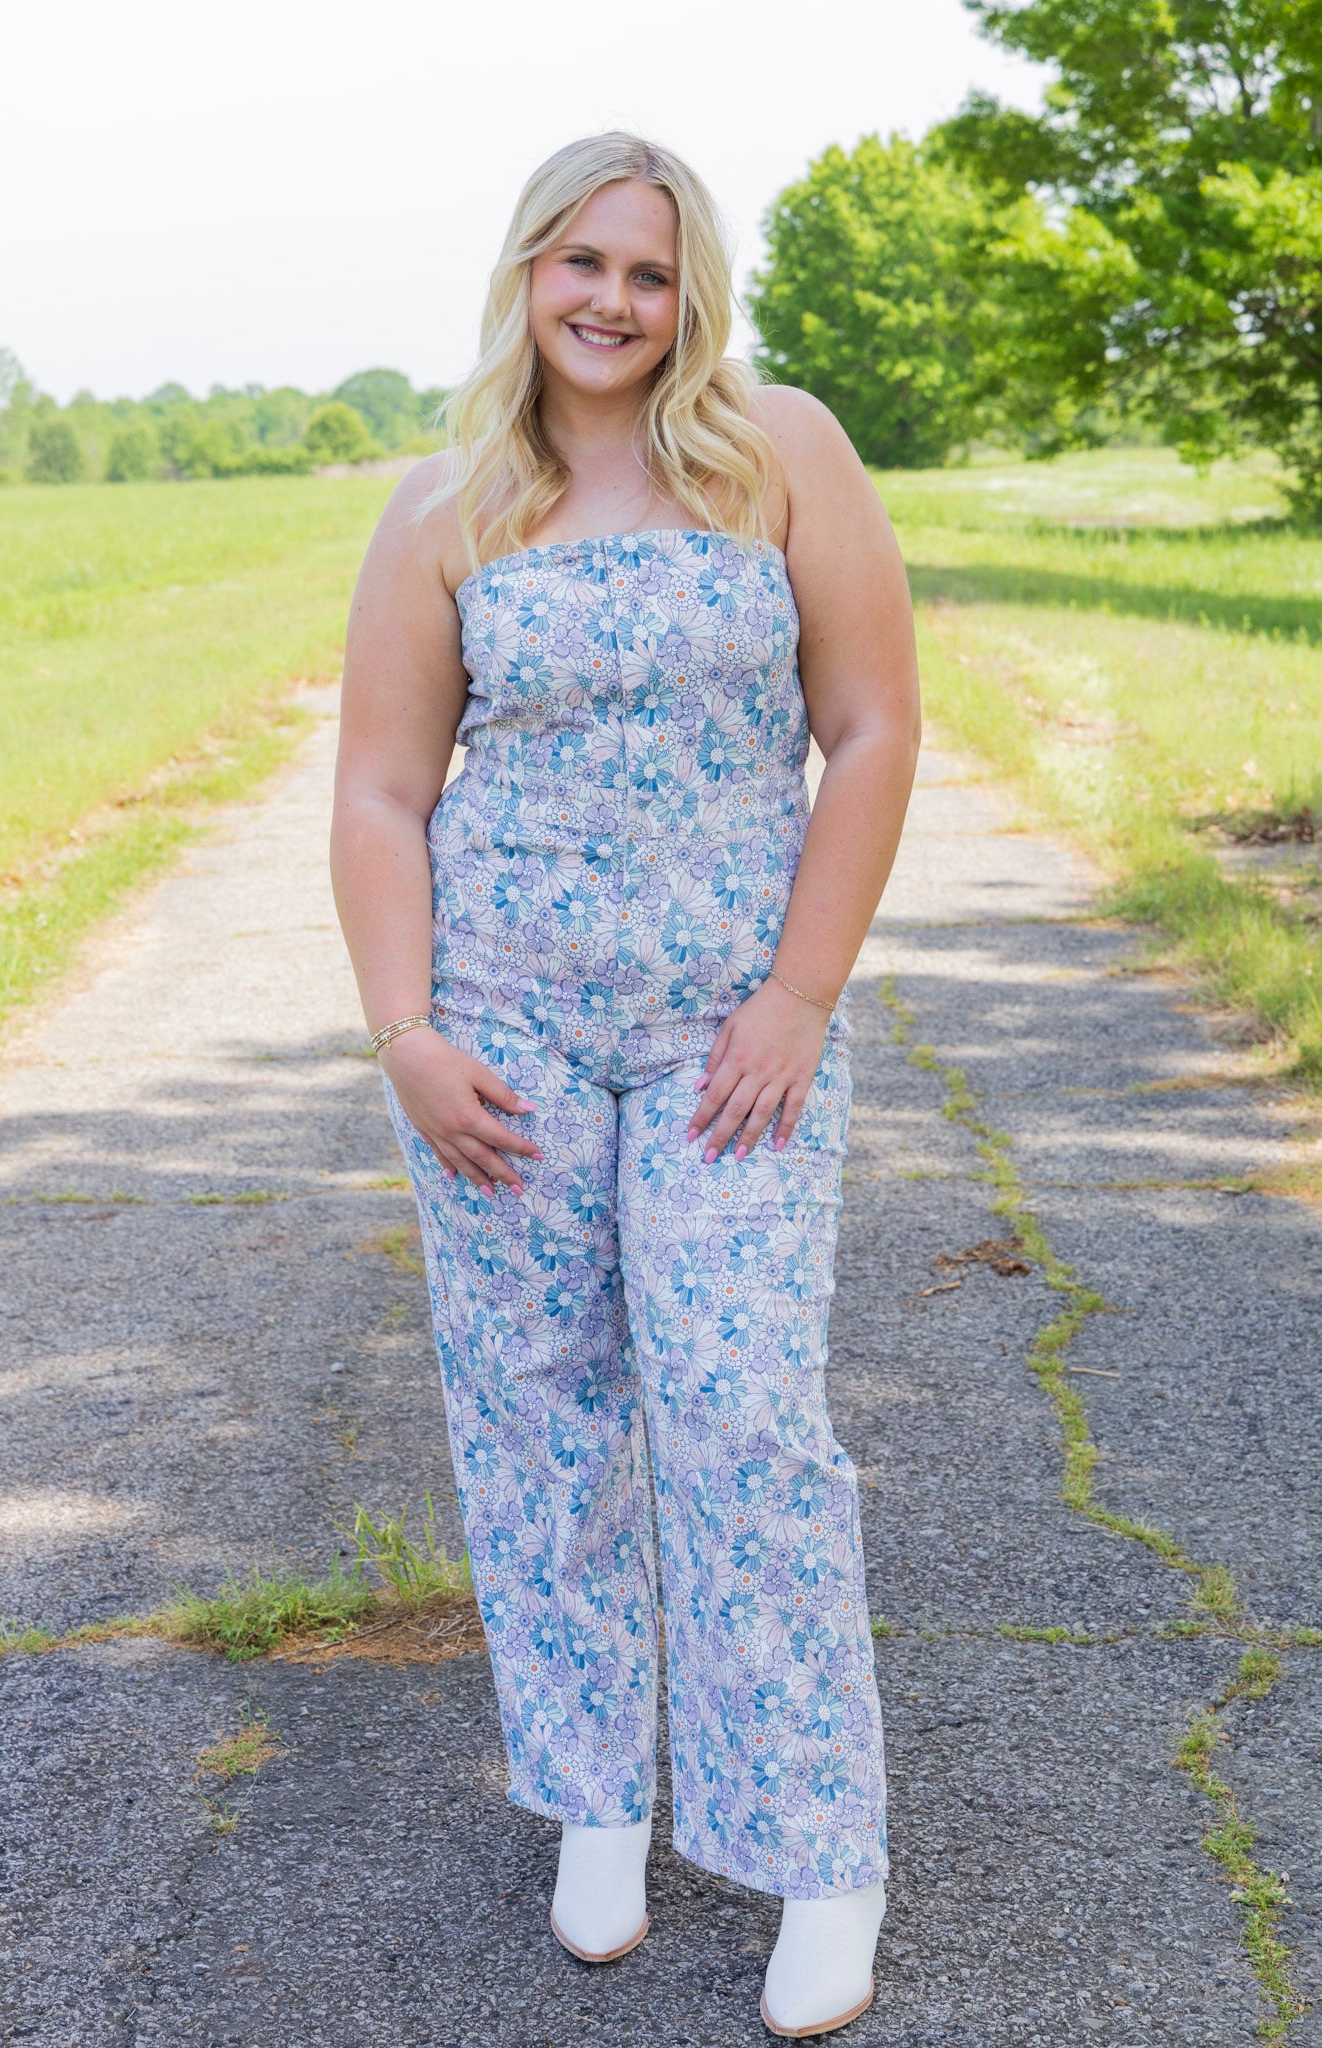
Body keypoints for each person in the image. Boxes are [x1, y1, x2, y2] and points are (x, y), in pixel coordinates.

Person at [330, 130, 920, 2038]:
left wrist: (800, 999)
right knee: (540, 1417)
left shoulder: (776, 454)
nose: (610, 300)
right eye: (579, 262)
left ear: (694, 296)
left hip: (725, 1045)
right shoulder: (447, 507)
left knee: (743, 1419)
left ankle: (819, 1845)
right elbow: (380, 791)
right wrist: (409, 1034)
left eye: (648, 274)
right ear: (525, 272)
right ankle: (598, 1796)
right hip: (501, 1039)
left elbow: (872, 725)